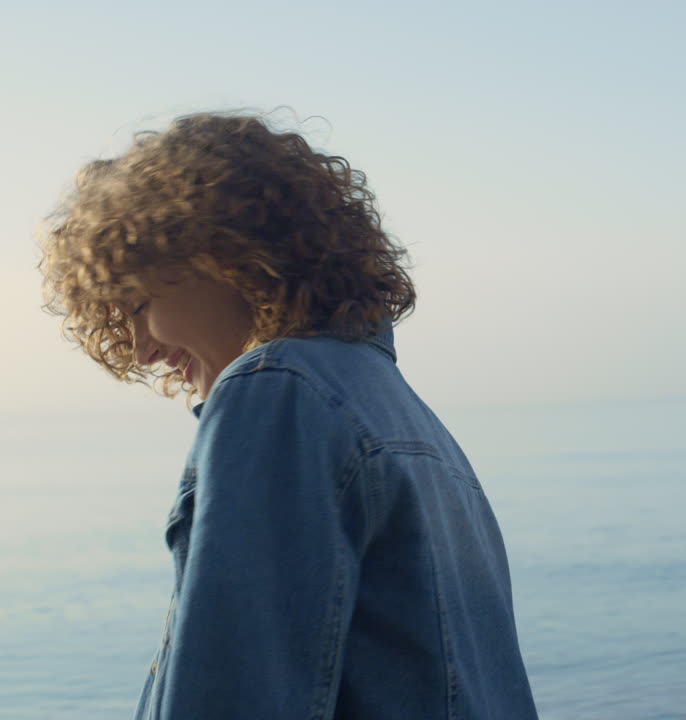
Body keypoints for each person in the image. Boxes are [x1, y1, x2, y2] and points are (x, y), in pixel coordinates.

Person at [38, 112, 539, 719]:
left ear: (222, 255)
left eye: (139, 305)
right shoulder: (413, 425)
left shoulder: (279, 393)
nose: (142, 348)